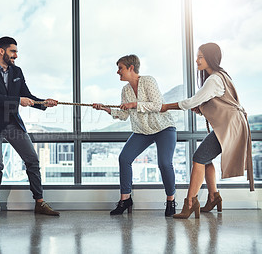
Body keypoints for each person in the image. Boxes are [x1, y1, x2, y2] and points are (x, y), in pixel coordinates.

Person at [161, 42, 254, 219]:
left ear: (210, 58)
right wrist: (201, 107)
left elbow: (192, 101)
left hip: (229, 126)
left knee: (198, 158)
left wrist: (167, 106)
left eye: (200, 56)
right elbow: (215, 102)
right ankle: (213, 197)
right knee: (206, 159)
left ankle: (190, 203)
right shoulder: (221, 76)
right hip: (231, 125)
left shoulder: (214, 79)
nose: (196, 60)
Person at [0, 36, 60, 219]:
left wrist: (43, 103)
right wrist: (17, 100)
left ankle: (39, 202)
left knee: (32, 160)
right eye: (13, 51)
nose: (16, 55)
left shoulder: (17, 71)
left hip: (13, 123)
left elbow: (26, 95)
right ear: (2, 51)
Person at [93, 54, 177, 216]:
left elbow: (158, 105)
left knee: (165, 164)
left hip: (163, 128)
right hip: (142, 131)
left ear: (131, 68)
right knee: (124, 159)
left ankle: (171, 201)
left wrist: (134, 104)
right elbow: (124, 115)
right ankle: (125, 199)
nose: (118, 72)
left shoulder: (148, 81)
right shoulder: (125, 90)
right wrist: (105, 109)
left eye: (120, 68)